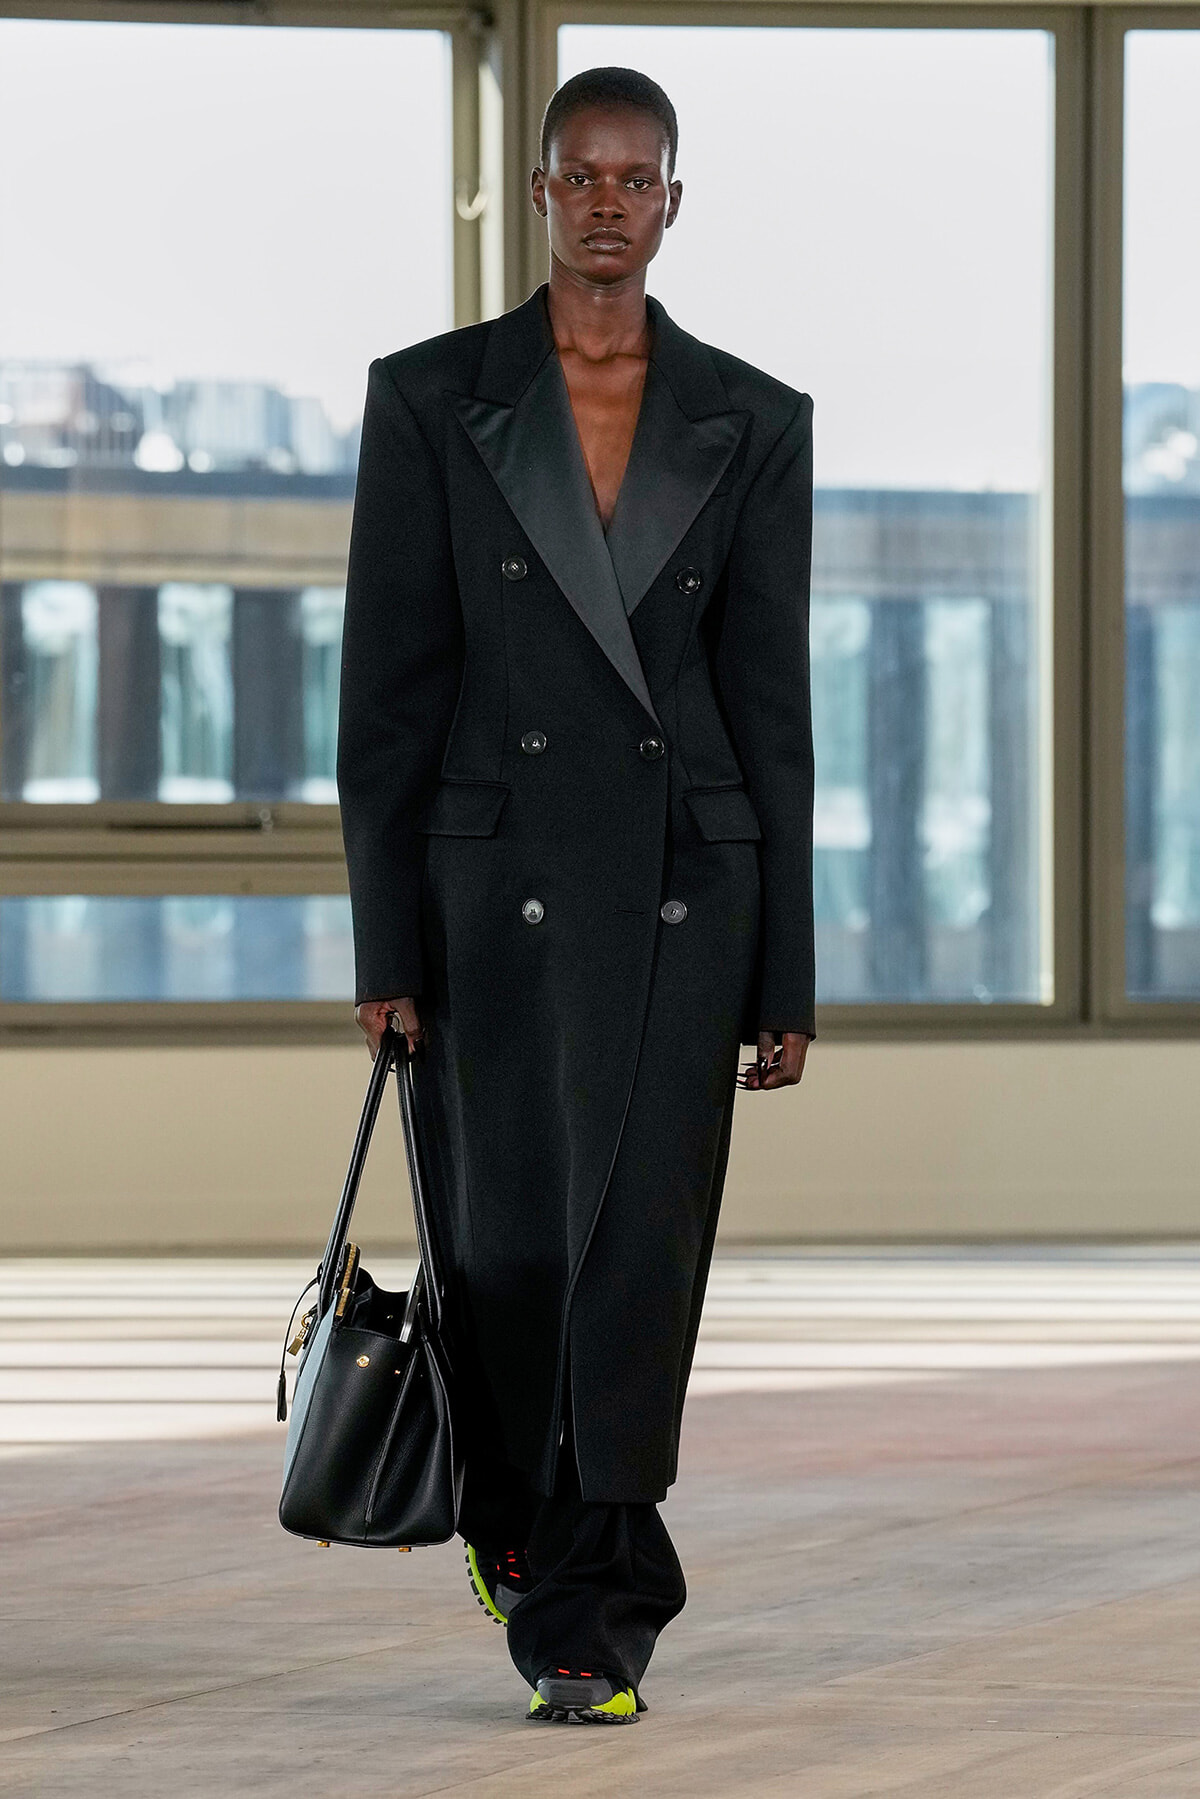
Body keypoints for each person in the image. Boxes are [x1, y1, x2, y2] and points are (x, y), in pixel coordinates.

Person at [337, 64, 815, 1726]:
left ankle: (595, 1608)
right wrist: (385, 944)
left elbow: (773, 708)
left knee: (642, 1258)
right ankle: (524, 1525)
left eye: (640, 179)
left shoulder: (755, 419)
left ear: (674, 204)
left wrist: (789, 975)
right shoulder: (430, 400)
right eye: (582, 177)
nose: (610, 203)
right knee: (509, 1246)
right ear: (539, 196)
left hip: (691, 896)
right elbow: (387, 698)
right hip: (494, 895)